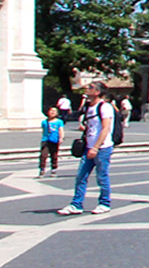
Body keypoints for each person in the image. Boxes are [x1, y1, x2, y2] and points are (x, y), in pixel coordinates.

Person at [58, 81, 115, 215]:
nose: (87, 89)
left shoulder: (105, 107)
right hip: (88, 146)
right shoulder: (88, 106)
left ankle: (104, 203)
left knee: (102, 176)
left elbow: (106, 129)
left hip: (102, 148)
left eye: (90, 87)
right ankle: (76, 204)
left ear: (97, 92)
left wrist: (95, 147)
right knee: (81, 176)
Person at [38, 107, 64, 177]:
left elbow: (61, 130)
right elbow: (44, 130)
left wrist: (61, 138)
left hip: (54, 140)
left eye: (54, 111)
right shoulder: (44, 122)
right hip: (45, 140)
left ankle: (54, 169)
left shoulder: (59, 122)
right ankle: (42, 169)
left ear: (57, 113)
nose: (52, 112)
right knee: (43, 155)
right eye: (51, 110)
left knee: (54, 155)